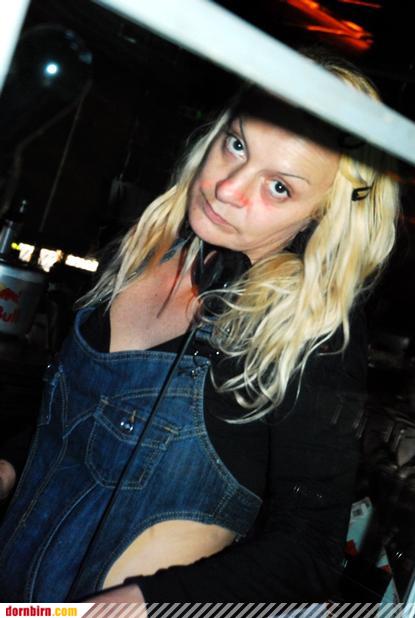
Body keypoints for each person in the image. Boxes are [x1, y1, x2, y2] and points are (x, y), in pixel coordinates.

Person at [0, 49, 399, 604]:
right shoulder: (138, 254)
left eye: (279, 187)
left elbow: (309, 551)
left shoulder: (308, 336)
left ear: (320, 217)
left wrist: (153, 600)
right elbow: (71, 428)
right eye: (237, 145)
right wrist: (8, 466)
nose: (228, 188)